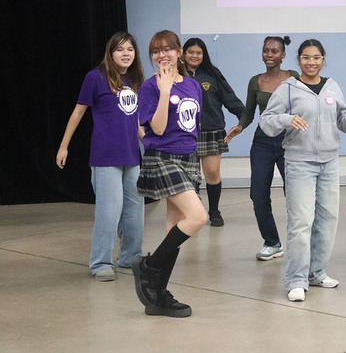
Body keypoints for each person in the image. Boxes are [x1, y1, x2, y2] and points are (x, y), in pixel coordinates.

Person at [260, 39, 346, 302]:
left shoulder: (332, 86)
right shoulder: (287, 89)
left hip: (330, 162)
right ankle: (296, 279)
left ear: (323, 59)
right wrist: (286, 119)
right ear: (298, 60)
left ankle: (317, 273)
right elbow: (267, 121)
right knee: (301, 222)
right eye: (306, 57)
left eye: (317, 57)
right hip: (299, 162)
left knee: (327, 219)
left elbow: (342, 118)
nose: (311, 62)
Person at [56, 32, 145, 282]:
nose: (125, 53)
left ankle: (130, 257)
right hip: (106, 156)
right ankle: (101, 262)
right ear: (110, 53)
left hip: (132, 157)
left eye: (129, 49)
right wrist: (64, 146)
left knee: (135, 211)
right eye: (120, 49)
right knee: (109, 211)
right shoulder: (95, 78)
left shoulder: (136, 80)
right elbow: (78, 113)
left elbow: (136, 121)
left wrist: (149, 143)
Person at [133, 30, 206, 318]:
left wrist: (195, 159)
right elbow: (159, 129)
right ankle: (148, 267)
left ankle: (158, 296)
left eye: (167, 49)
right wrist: (164, 92)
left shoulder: (192, 85)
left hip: (187, 158)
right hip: (162, 157)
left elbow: (193, 127)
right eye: (155, 51)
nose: (161, 55)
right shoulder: (150, 88)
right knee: (198, 217)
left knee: (173, 230)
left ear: (178, 52)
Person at [225, 36, 299, 261]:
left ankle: (299, 243)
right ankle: (272, 242)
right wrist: (239, 126)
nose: (269, 55)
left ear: (283, 55)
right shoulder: (255, 81)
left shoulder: (293, 78)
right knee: (258, 194)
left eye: (274, 51)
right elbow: (249, 112)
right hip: (263, 142)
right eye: (266, 51)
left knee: (294, 194)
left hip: (289, 141)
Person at [183, 37, 245, 227]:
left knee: (211, 172)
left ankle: (214, 211)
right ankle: (193, 212)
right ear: (183, 54)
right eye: (190, 52)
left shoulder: (213, 74)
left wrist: (242, 118)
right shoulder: (176, 74)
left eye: (198, 53)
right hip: (185, 134)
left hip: (212, 131)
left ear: (204, 55)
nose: (194, 56)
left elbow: (230, 99)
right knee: (190, 176)